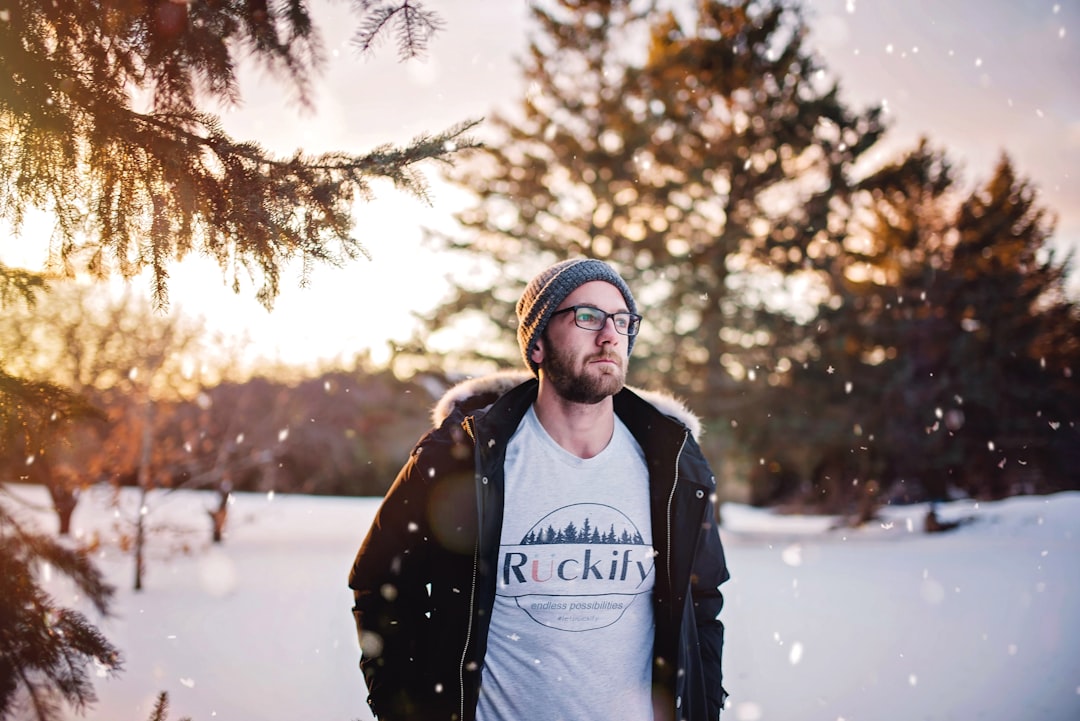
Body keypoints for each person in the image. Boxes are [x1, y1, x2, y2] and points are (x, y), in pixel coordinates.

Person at [348, 258, 730, 721]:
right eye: (587, 317)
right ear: (537, 345)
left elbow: (702, 602)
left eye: (622, 320)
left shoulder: (674, 464)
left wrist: (705, 710)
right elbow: (381, 584)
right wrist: (404, 710)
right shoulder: (459, 458)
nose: (610, 335)